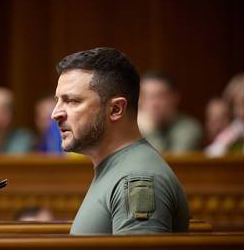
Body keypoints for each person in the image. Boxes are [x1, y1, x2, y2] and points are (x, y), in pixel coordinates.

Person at [51, 47, 189, 234]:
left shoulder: (136, 179)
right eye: (58, 100)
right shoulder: (118, 169)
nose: (55, 113)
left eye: (72, 101)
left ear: (115, 109)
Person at [139, 72, 203, 154]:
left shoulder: (190, 128)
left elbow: (171, 164)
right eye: (146, 96)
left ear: (175, 98)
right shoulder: (132, 125)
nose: (154, 103)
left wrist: (150, 132)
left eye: (160, 96)